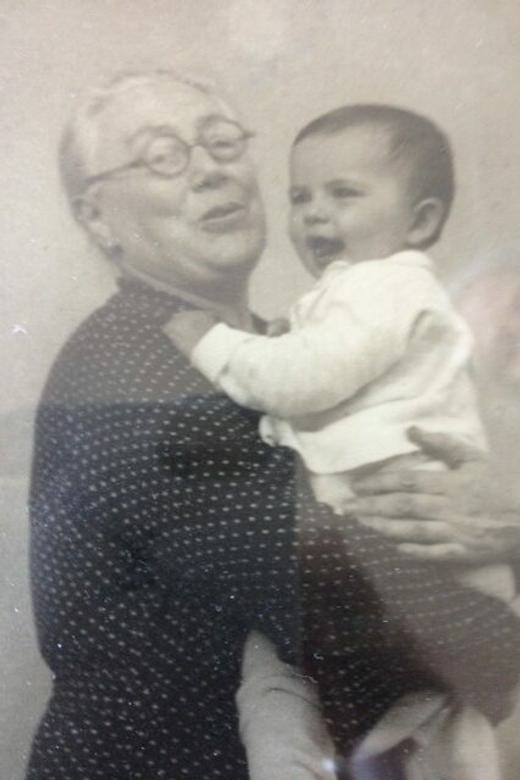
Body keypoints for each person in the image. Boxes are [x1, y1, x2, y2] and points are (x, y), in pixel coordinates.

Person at [27, 70, 520, 780]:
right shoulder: (124, 365)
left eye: (222, 143)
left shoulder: (284, 356)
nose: (209, 172)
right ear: (99, 219)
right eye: (164, 155)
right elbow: (331, 590)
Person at [163, 103, 518, 778]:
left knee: (322, 680)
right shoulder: (344, 294)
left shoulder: (388, 286)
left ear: (420, 221)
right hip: (379, 540)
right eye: (300, 198)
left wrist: (210, 341)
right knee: (297, 677)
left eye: (343, 194)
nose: (315, 215)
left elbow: (305, 381)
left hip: (415, 543)